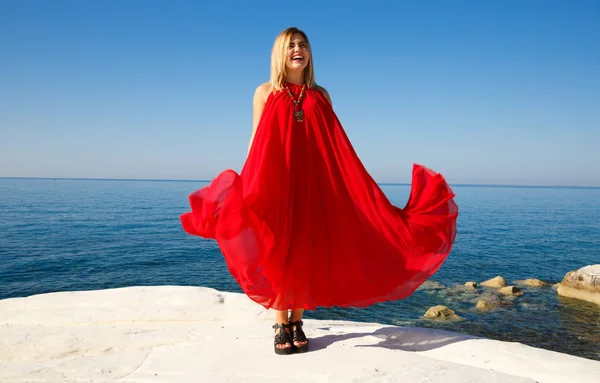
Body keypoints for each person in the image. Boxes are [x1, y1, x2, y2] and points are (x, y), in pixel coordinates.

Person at [180, 27, 458, 355]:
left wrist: (352, 185)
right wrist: (245, 182)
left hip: (312, 185)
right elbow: (256, 140)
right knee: (277, 247)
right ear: (279, 54)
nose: (298, 50)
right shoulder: (264, 92)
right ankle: (281, 323)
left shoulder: (321, 94)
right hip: (275, 181)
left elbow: (335, 144)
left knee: (305, 249)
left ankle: (296, 322)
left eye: (303, 45)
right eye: (291, 45)